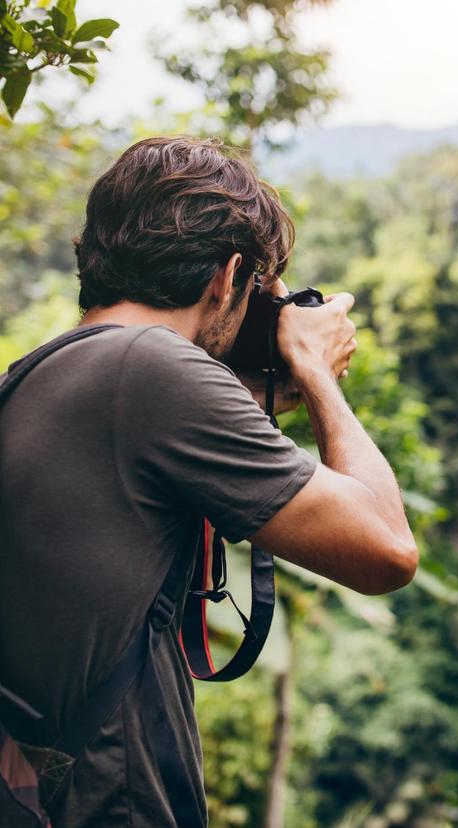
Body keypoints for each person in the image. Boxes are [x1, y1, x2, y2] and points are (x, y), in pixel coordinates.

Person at [0, 136, 419, 826]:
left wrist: (262, 397)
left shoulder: (39, 374)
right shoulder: (152, 368)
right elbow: (388, 550)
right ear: (227, 277)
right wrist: (313, 368)